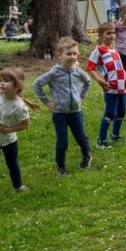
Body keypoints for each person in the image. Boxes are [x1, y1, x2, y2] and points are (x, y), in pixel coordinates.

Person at [0, 67, 37, 210]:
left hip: (8, 138)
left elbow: (25, 125)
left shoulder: (19, 107)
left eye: (7, 81)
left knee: (12, 163)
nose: (2, 84)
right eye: (1, 80)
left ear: (17, 86)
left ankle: (18, 186)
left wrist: (6, 130)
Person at [34, 37, 92, 175]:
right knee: (62, 143)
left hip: (76, 111)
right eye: (69, 54)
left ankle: (87, 157)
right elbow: (37, 84)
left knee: (81, 137)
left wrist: (81, 96)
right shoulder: (54, 72)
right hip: (59, 113)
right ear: (60, 56)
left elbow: (88, 81)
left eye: (75, 54)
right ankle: (60, 167)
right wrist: (46, 101)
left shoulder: (77, 71)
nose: (72, 57)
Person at [86, 22, 126, 148]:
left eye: (113, 33)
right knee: (110, 113)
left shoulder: (114, 50)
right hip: (111, 88)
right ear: (100, 36)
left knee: (121, 112)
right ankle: (101, 140)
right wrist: (101, 82)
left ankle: (115, 135)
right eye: (108, 33)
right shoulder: (99, 50)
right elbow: (90, 68)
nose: (112, 36)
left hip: (123, 88)